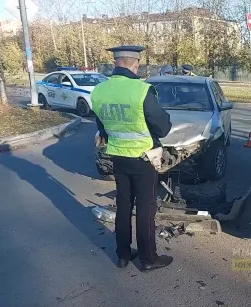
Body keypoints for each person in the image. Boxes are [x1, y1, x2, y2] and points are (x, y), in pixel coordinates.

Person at [90, 45, 174, 272]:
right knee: (146, 207)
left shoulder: (99, 91)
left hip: (117, 156)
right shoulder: (142, 90)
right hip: (143, 158)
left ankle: (123, 255)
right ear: (135, 64)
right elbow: (163, 127)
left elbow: (102, 127)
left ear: (115, 63)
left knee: (124, 206)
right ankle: (148, 258)